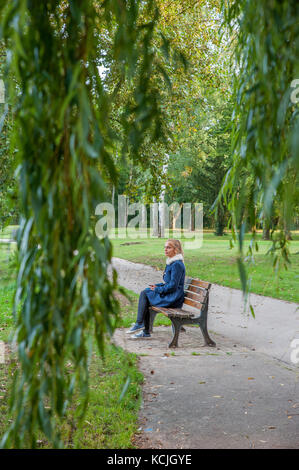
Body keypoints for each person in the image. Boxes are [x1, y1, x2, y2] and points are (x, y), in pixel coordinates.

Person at [127, 239, 185, 338]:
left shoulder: (177, 265)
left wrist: (158, 290)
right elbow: (168, 283)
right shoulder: (171, 263)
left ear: (176, 250)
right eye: (165, 247)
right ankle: (144, 330)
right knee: (146, 293)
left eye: (168, 247)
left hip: (174, 298)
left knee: (145, 294)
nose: (165, 249)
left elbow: (173, 286)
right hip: (171, 295)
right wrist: (157, 286)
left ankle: (141, 325)